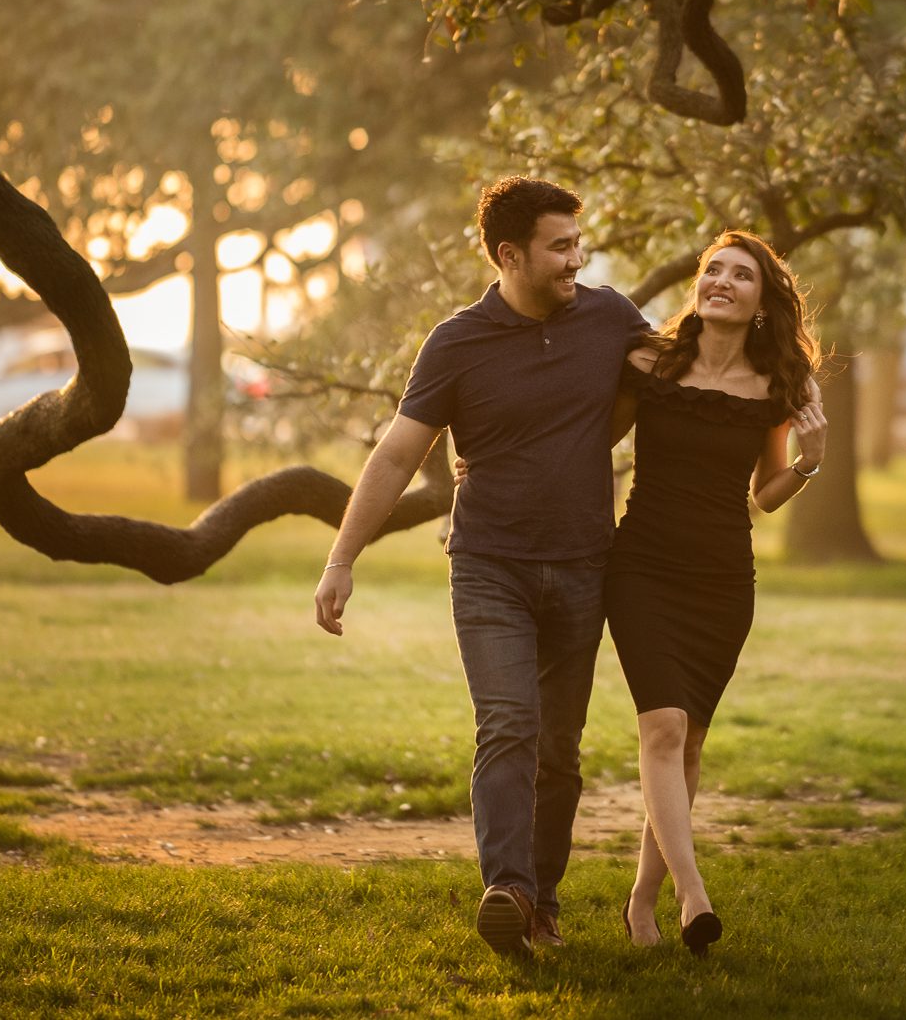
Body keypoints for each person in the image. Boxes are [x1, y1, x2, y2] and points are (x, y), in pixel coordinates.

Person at [459, 229, 827, 957]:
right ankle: (696, 896)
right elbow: (585, 435)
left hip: (723, 580)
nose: (720, 280)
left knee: (689, 741)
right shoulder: (651, 361)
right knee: (660, 729)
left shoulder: (779, 385)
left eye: (740, 275)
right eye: (712, 269)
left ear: (762, 299)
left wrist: (810, 463)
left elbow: (766, 494)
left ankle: (643, 899)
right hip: (641, 570)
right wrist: (496, 461)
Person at [312, 176, 648, 959]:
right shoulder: (456, 341)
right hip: (490, 564)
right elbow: (398, 453)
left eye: (577, 242)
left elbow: (667, 378)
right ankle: (509, 889)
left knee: (559, 743)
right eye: (560, 246)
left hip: (583, 564)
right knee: (508, 724)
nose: (577, 258)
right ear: (510, 254)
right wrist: (341, 557)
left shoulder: (610, 317)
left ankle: (543, 904)